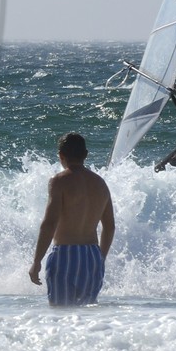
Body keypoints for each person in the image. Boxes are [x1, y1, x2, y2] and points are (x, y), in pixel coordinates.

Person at [30, 132, 115, 307]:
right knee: (87, 317)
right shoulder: (100, 183)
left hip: (65, 254)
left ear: (61, 156)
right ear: (86, 155)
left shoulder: (59, 181)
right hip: (91, 255)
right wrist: (101, 258)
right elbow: (110, 226)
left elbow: (50, 223)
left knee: (61, 314)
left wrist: (37, 261)